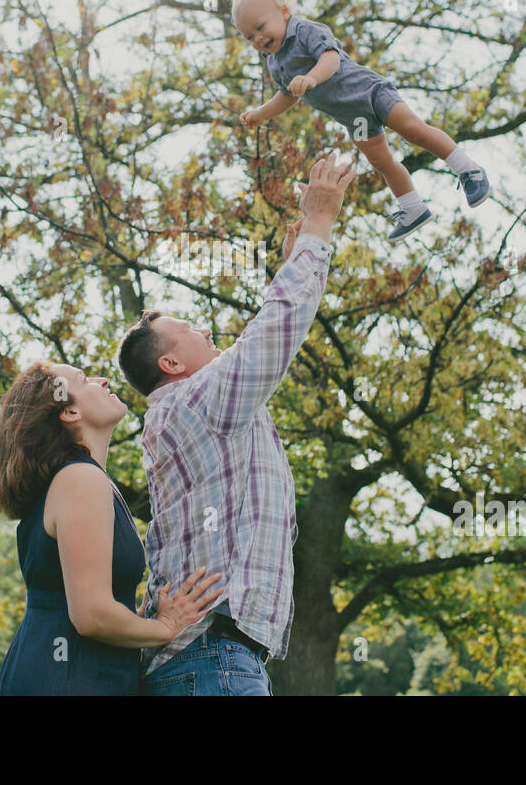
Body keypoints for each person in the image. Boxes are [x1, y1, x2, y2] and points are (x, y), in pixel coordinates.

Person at [116, 152, 356, 695]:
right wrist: (319, 222)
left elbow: (261, 340)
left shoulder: (192, 411)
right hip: (214, 661)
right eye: (191, 328)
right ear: (171, 364)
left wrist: (291, 266)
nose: (207, 331)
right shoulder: (196, 402)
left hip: (208, 662)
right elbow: (272, 333)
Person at [0, 361, 225, 695]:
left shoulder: (80, 480)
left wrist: (136, 616)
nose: (102, 380)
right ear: (69, 411)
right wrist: (165, 627)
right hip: (68, 679)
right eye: (85, 380)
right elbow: (91, 615)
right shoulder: (79, 479)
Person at [233, 0, 491, 243]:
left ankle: (468, 169)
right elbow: (287, 95)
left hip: (370, 91)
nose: (258, 40)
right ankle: (413, 208)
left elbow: (331, 58)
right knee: (381, 161)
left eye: (260, 27)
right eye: (249, 37)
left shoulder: (306, 31)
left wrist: (311, 78)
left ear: (284, 11)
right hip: (353, 117)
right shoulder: (275, 63)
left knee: (413, 130)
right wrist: (261, 113)